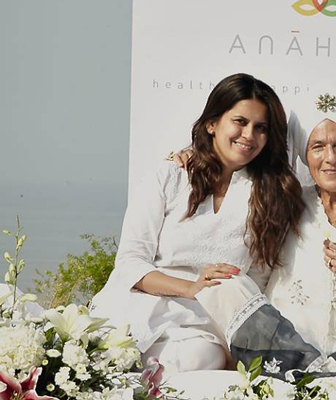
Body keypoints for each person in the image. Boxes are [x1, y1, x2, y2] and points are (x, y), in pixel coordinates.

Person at [171, 83, 336, 381]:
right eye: (318, 147)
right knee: (228, 285)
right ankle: (334, 376)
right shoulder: (283, 200)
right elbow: (235, 165)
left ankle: (335, 376)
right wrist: (194, 155)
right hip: (286, 348)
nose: (331, 158)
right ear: (304, 154)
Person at [90, 73, 305, 373]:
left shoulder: (270, 197)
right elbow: (130, 262)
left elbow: (258, 281)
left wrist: (240, 342)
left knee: (195, 361)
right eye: (240, 121)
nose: (249, 135)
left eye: (261, 128)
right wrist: (191, 287)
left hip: (202, 327)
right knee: (106, 357)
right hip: (139, 306)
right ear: (212, 123)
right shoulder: (171, 177)